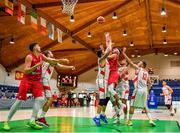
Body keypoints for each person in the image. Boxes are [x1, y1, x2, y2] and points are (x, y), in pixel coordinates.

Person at [3, 42, 68, 131]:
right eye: (38, 46)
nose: (40, 47)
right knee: (19, 101)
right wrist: (37, 65)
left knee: (40, 99)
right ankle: (6, 121)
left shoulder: (41, 56)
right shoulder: (29, 57)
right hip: (27, 80)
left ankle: (32, 120)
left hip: (36, 81)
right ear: (34, 48)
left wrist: (62, 60)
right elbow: (26, 71)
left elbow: (52, 61)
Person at [37, 50, 75, 127]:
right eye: (50, 53)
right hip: (44, 79)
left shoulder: (50, 61)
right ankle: (40, 118)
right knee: (50, 99)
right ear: (47, 55)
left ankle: (37, 117)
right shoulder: (49, 60)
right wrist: (64, 60)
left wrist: (70, 67)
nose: (52, 54)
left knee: (44, 100)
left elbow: (60, 66)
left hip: (43, 80)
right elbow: (59, 63)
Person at [122, 48, 156, 127]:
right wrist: (147, 92)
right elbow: (150, 83)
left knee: (132, 105)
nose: (138, 62)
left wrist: (124, 54)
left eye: (140, 62)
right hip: (144, 90)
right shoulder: (146, 72)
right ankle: (151, 120)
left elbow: (130, 62)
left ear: (142, 65)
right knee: (145, 106)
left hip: (138, 90)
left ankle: (129, 121)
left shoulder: (139, 69)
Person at [93, 32, 112, 127]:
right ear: (101, 55)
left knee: (107, 98)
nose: (104, 52)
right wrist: (108, 40)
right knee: (102, 100)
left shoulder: (105, 59)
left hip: (105, 81)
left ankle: (103, 115)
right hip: (101, 81)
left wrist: (107, 40)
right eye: (103, 52)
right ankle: (96, 117)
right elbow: (108, 50)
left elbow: (107, 50)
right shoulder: (101, 60)